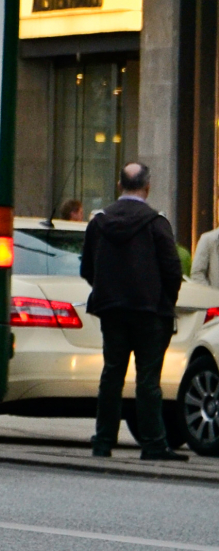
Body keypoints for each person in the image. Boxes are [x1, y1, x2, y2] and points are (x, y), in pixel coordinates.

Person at [81, 161, 189, 461]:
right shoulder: (156, 223)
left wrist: (107, 291)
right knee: (148, 380)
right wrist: (163, 300)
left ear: (119, 186)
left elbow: (87, 268)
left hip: (112, 311)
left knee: (112, 374)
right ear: (148, 186)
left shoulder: (99, 222)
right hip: (149, 311)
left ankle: (103, 442)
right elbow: (172, 270)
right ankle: (153, 443)